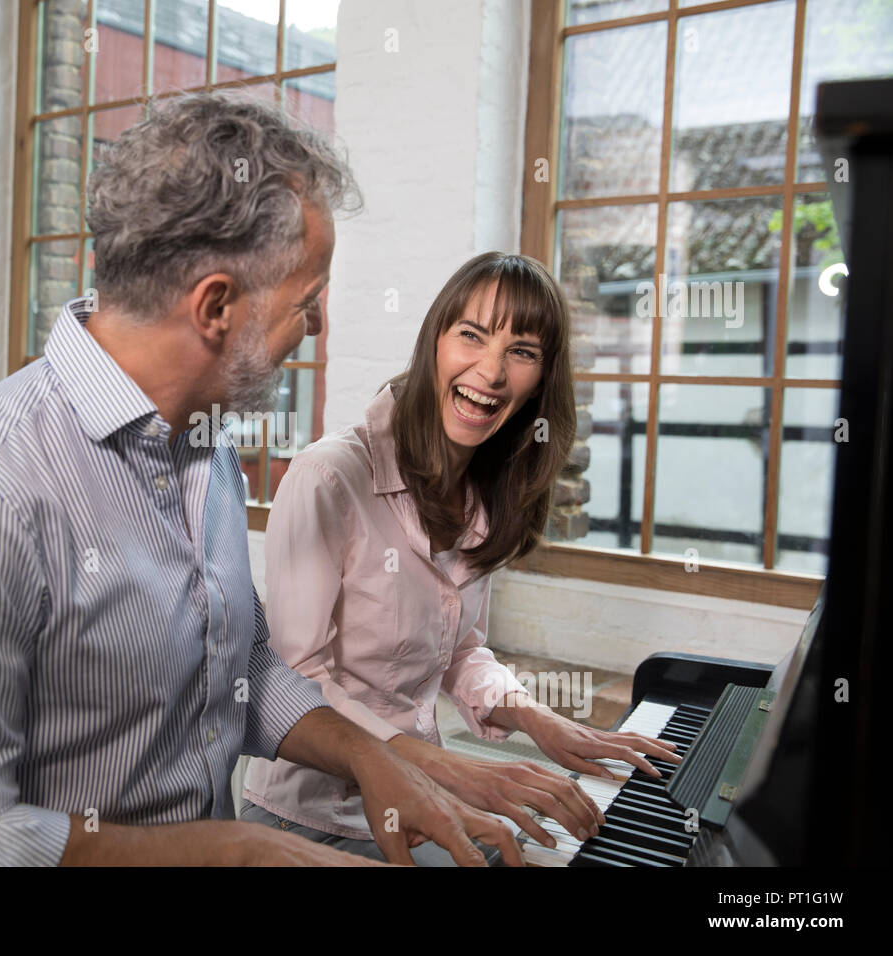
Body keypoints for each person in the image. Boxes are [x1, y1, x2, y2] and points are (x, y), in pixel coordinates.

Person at [0, 93, 526, 866]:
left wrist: (373, 758)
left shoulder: (202, 450)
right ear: (216, 307)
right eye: (307, 303)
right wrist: (239, 851)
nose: (317, 328)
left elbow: (240, 667)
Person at [241, 252, 682, 864]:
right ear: (435, 342)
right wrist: (454, 770)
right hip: (313, 818)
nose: (492, 371)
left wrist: (536, 719)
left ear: (541, 380)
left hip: (427, 791)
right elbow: (294, 678)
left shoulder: (487, 490)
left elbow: (464, 649)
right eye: (472, 335)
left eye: (522, 351)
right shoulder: (329, 476)